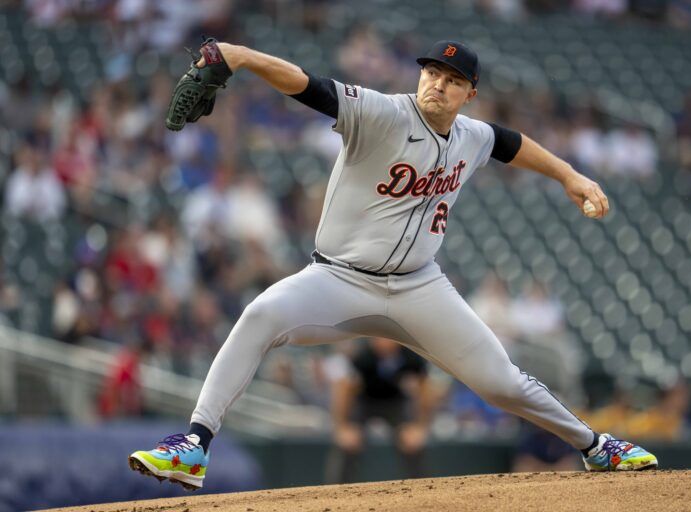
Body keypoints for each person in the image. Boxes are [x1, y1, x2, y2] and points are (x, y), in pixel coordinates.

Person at [129, 39, 658, 491]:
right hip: (338, 279)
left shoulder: (472, 136)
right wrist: (239, 56)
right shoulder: (382, 113)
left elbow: (512, 144)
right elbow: (307, 85)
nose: (437, 84)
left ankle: (596, 445)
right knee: (260, 314)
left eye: (452, 80)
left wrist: (570, 176)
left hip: (419, 289)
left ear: (469, 93)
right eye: (431, 72)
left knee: (501, 383)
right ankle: (194, 445)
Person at [325, 336, 434, 483]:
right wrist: (342, 426)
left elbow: (425, 390)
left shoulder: (410, 357)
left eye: (387, 338)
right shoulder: (362, 357)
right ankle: (335, 490)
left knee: (412, 441)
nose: (383, 342)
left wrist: (421, 426)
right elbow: (345, 390)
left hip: (395, 404)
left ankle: (423, 487)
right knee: (349, 442)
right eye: (378, 338)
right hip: (365, 403)